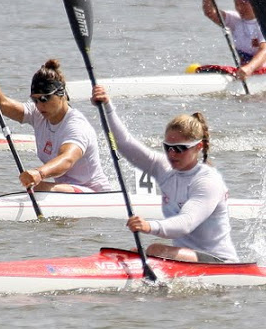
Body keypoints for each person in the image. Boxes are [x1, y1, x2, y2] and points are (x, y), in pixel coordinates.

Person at [91, 85, 238, 263]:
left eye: (180, 148)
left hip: (220, 262)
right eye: (167, 147)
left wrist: (149, 226)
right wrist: (107, 107)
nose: (172, 154)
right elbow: (125, 144)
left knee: (155, 250)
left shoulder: (207, 181)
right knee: (133, 253)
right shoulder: (164, 168)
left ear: (198, 147)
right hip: (185, 258)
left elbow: (186, 222)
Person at [0, 57, 111, 193]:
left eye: (44, 98)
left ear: (62, 94)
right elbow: (1, 105)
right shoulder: (38, 115)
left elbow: (67, 159)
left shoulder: (76, 126)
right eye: (35, 100)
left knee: (37, 187)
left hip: (93, 192)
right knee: (35, 187)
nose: (39, 105)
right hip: (67, 189)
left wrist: (40, 173)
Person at [202, 0, 266, 80]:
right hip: (245, 71)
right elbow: (210, 12)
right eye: (237, 4)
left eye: (244, 4)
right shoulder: (235, 20)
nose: (240, 8)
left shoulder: (265, 24)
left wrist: (249, 68)